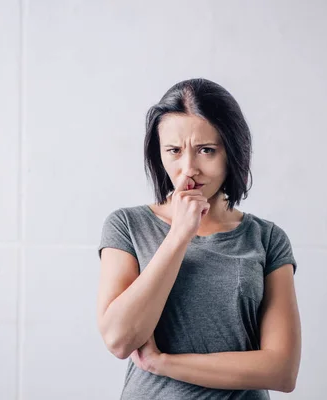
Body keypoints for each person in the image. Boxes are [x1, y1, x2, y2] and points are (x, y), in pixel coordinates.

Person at [96, 78, 301, 399]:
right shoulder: (127, 225)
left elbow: (282, 370)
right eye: (174, 151)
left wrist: (163, 363)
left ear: (232, 151)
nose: (188, 169)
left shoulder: (267, 238)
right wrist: (179, 235)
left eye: (206, 150)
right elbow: (119, 339)